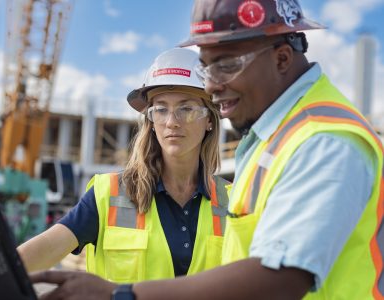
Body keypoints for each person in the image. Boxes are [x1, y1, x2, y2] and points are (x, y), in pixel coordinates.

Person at [30, 0, 384, 299]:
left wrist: (120, 294)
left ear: (281, 59)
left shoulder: (321, 140)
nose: (213, 85)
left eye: (226, 65)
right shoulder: (273, 142)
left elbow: (282, 278)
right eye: (206, 66)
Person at [18, 47, 230, 283]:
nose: (171, 122)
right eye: (160, 109)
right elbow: (37, 254)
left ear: (209, 119)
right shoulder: (109, 194)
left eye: (186, 109)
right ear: (150, 120)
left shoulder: (233, 202)